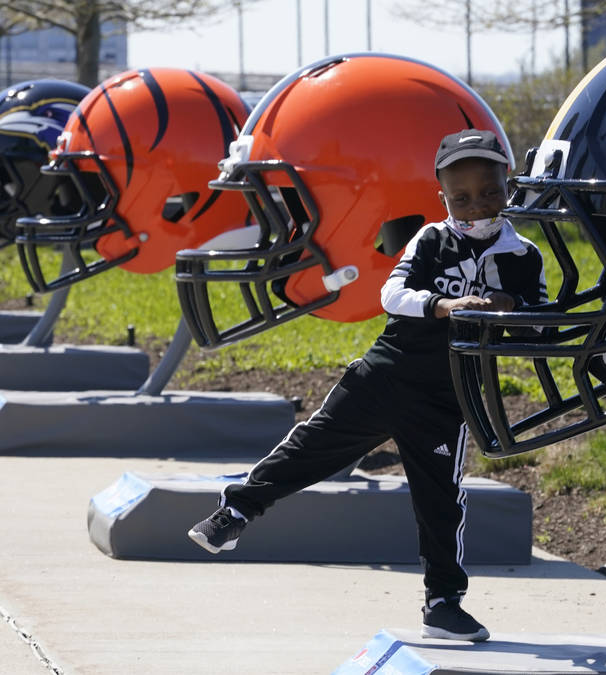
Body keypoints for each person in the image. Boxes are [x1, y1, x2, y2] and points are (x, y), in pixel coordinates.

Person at [187, 129, 546, 642]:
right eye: (460, 196)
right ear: (441, 195)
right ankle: (236, 510)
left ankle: (444, 601)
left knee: (441, 500)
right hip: (387, 374)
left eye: (489, 191)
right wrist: (444, 306)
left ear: (507, 185)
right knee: (314, 445)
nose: (476, 204)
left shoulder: (523, 254)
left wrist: (513, 308)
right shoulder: (431, 238)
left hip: (448, 396)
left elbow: (542, 310)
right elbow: (391, 294)